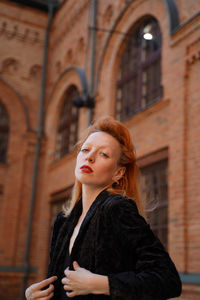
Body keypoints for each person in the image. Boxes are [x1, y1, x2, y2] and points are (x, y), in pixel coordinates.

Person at [25, 116, 182, 300]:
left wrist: (103, 284)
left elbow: (168, 279)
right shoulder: (63, 221)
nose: (89, 157)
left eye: (103, 154)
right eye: (85, 150)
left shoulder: (117, 209)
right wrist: (34, 295)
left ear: (118, 172)